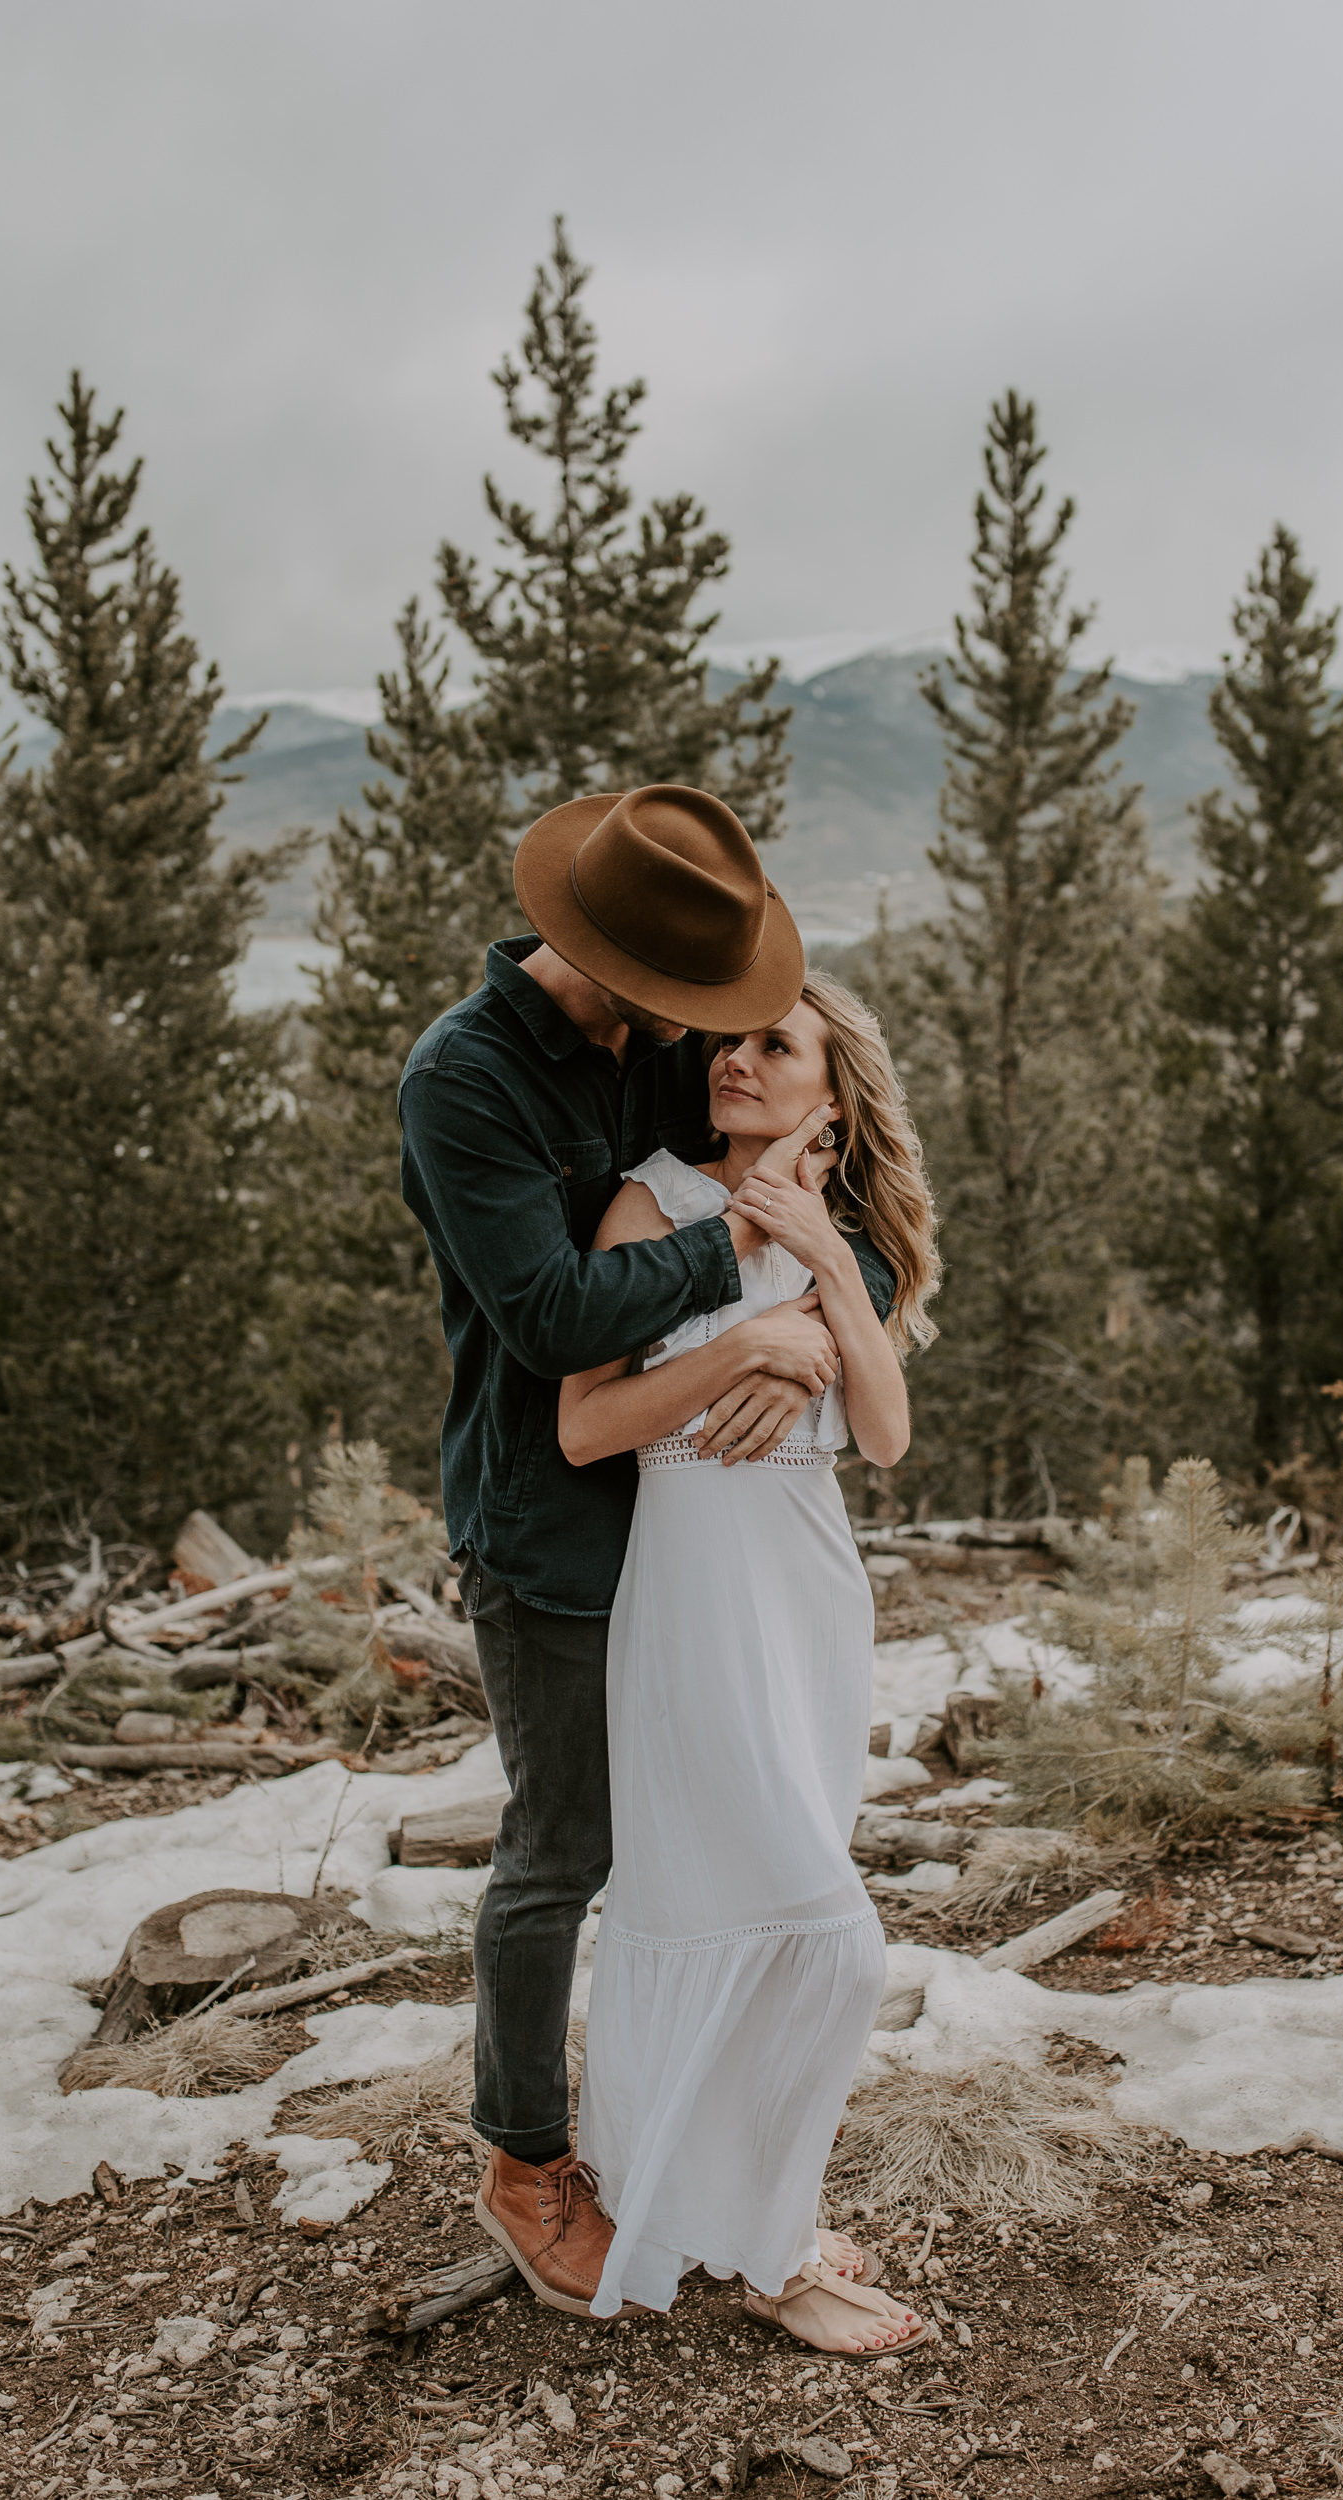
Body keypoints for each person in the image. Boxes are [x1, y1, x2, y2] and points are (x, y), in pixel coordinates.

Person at [398, 785, 898, 2320]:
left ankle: (730, 2182)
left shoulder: (682, 1044)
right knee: (568, 1853)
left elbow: (812, 1173)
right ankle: (527, 2162)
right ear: (593, 949)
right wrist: (761, 1295)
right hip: (559, 1527)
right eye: (691, 1005)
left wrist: (824, 1315)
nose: (714, 1039)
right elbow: (553, 1324)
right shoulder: (464, 1079)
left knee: (733, 1861)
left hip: (728, 1549)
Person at [558, 970, 941, 2353]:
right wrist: (747, 1352)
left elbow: (885, 1437)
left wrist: (824, 1272)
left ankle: (750, 2208)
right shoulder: (649, 1202)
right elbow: (585, 1428)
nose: (737, 1059)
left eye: (775, 1046)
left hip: (810, 1604)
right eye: (729, 1039)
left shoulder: (843, 1237)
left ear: (830, 1098)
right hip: (694, 1598)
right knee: (826, 1943)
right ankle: (776, 2261)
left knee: (786, 1926)